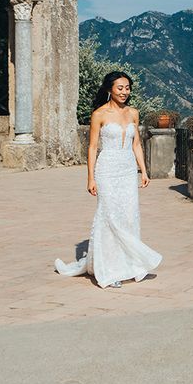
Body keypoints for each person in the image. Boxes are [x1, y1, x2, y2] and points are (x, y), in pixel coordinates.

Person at [55, 71, 162, 288]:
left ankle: (129, 264)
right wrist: (90, 178)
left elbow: (137, 145)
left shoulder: (133, 113)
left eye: (127, 88)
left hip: (127, 169)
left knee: (129, 216)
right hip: (107, 169)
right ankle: (110, 269)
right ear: (109, 89)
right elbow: (93, 147)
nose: (124, 92)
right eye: (120, 88)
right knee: (110, 216)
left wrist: (143, 170)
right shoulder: (99, 114)